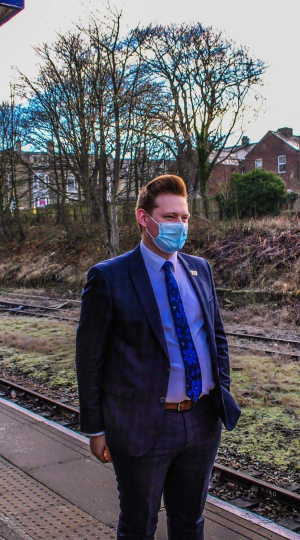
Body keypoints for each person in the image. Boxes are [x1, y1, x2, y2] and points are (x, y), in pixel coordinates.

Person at [75, 174, 240, 539]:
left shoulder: (200, 269)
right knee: (138, 523)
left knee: (190, 522)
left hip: (201, 421)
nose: (179, 226)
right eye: (169, 217)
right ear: (143, 218)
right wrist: (96, 427)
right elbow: (90, 359)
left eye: (184, 217)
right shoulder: (108, 277)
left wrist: (219, 391)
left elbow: (216, 337)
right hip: (142, 424)